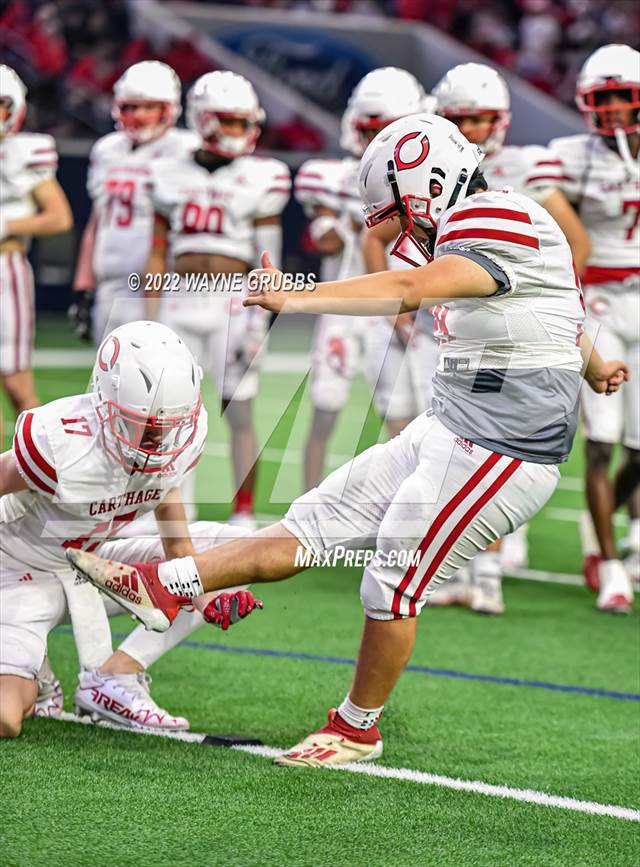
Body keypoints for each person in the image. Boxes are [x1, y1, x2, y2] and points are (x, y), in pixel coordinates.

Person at [66, 114, 627, 768]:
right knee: (311, 523)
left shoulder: (491, 215)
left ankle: (357, 727)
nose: (404, 234)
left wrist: (295, 296)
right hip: (450, 427)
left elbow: (407, 289)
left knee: (391, 578)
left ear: (427, 185)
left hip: (502, 450)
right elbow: (557, 308)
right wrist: (593, 365)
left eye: (401, 215)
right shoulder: (501, 223)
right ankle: (166, 584)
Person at [363, 62, 593, 614]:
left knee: (483, 448)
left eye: (482, 117)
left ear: (503, 119)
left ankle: (483, 570)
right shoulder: (434, 171)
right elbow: (383, 236)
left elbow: (569, 252)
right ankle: (443, 565)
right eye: (460, 118)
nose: (472, 130)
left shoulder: (523, 174)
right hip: (447, 327)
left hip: (502, 339)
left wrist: (556, 321)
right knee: (435, 447)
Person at [0, 320, 258, 738]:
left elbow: (178, 547)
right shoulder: (60, 442)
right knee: (6, 718)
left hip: (91, 568)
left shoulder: (176, 439)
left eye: (168, 423)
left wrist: (206, 592)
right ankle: (36, 669)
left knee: (239, 553)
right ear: (105, 403)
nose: (159, 438)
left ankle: (112, 678)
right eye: (146, 423)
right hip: (17, 574)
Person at [145, 70, 291, 528]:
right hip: (181, 296)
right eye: (227, 121)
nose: (236, 132)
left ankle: (243, 510)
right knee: (166, 408)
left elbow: (271, 258)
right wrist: (150, 316)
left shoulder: (262, 175)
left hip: (235, 301)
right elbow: (156, 250)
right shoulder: (168, 171)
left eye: (241, 122)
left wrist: (266, 317)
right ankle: (172, 506)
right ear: (203, 119)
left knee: (238, 408)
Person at [295, 67, 435, 489]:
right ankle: (305, 502)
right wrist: (330, 230)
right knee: (326, 406)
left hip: (393, 303)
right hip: (344, 305)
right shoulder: (332, 177)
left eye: (387, 128)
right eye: (371, 128)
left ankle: (409, 504)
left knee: (409, 417)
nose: (377, 139)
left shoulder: (422, 178)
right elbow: (325, 241)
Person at [547, 45, 640, 613]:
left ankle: (602, 523)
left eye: (619, 96)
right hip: (600, 303)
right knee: (601, 444)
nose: (609, 109)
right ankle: (608, 564)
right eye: (600, 98)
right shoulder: (570, 157)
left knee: (638, 448)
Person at [70, 60, 198, 345]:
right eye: (130, 106)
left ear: (168, 109)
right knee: (111, 380)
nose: (138, 115)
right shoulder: (107, 150)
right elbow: (97, 220)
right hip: (110, 284)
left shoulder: (185, 149)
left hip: (163, 286)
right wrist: (83, 286)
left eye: (148, 106)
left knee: (165, 380)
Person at [0, 65, 73, 418]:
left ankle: (39, 470)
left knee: (17, 385)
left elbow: (60, 217)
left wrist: (6, 223)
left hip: (6, 270)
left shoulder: (25, 152)